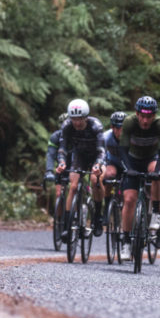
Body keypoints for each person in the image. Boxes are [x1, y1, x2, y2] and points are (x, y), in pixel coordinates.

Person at [119, 96, 160, 260]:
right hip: (132, 159)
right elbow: (123, 150)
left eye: (149, 116)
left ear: (154, 115)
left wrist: (158, 172)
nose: (145, 120)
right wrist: (129, 169)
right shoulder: (129, 122)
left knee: (155, 173)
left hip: (151, 159)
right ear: (137, 114)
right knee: (129, 200)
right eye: (142, 116)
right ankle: (125, 240)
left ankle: (155, 214)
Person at [56, 99, 106, 241]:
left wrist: (98, 165)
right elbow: (62, 148)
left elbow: (102, 150)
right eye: (74, 119)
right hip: (80, 156)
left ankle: (97, 215)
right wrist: (61, 162)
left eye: (80, 119)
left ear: (86, 117)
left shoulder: (95, 125)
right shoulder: (67, 126)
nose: (77, 123)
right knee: (72, 186)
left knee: (95, 179)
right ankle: (67, 226)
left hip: (97, 155)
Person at [102, 111, 127, 218]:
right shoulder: (106, 137)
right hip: (113, 163)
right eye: (118, 128)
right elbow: (100, 153)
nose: (120, 131)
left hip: (128, 164)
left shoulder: (132, 137)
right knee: (108, 176)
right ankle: (107, 204)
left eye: (123, 128)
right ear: (112, 127)